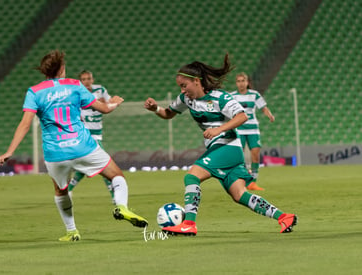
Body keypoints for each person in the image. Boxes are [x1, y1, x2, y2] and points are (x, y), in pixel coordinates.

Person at [0, 50, 148, 242]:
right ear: (62, 69)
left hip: (55, 153)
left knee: (61, 190)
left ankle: (72, 231)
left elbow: (25, 124)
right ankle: (122, 206)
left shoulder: (34, 91)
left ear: (45, 72)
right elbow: (104, 109)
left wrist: (10, 151)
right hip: (83, 146)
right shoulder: (75, 85)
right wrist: (114, 103)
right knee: (116, 176)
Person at [144, 53, 296, 236]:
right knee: (240, 195)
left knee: (192, 176)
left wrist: (219, 129)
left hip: (228, 146)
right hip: (220, 149)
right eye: (180, 87)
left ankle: (189, 224)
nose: (182, 90)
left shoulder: (220, 97)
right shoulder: (186, 99)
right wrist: (156, 109)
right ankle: (283, 217)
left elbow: (242, 116)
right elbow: (168, 113)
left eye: (184, 86)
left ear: (197, 81)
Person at [68, 70, 114, 202]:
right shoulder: (76, 93)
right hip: (85, 134)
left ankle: (69, 189)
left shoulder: (100, 90)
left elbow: (110, 104)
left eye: (89, 78)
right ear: (80, 81)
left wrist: (105, 104)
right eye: (84, 79)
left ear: (92, 80)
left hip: (97, 134)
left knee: (86, 166)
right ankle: (114, 195)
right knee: (104, 163)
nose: (87, 81)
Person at [230, 72, 275, 191]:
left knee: (255, 153)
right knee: (240, 155)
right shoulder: (232, 96)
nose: (241, 83)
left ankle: (253, 182)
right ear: (236, 83)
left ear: (247, 82)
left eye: (243, 81)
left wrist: (269, 115)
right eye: (238, 81)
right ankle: (245, 179)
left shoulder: (254, 95)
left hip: (253, 129)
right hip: (239, 128)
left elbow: (263, 107)